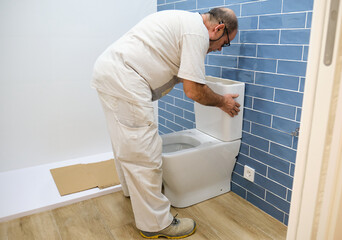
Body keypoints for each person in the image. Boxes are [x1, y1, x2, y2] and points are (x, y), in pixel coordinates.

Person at [91, 7, 239, 239]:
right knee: (144, 152)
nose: (220, 49)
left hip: (110, 71)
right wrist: (222, 102)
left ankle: (133, 193)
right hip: (126, 78)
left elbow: (178, 70)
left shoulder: (184, 22)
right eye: (225, 43)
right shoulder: (197, 34)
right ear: (217, 29)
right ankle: (156, 223)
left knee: (126, 140)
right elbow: (194, 92)